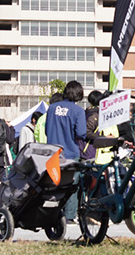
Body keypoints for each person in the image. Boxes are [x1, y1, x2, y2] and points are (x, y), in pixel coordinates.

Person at [45, 81, 87, 223]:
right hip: (70, 153)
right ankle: (69, 216)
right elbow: (81, 133)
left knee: (53, 185)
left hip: (52, 153)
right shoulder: (78, 111)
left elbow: (46, 130)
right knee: (71, 186)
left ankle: (50, 214)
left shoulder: (51, 108)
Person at [82, 90, 102, 160]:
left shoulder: (86, 112)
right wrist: (102, 138)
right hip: (90, 150)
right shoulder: (94, 115)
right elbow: (87, 132)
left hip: (85, 149)